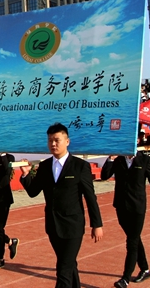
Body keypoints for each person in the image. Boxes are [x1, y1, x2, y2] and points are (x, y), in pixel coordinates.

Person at [19, 123, 103, 288]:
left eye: (57, 140)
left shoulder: (80, 166)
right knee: (69, 264)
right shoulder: (44, 166)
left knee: (63, 269)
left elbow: (90, 197)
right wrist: (26, 174)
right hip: (53, 226)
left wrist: (97, 224)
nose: (53, 144)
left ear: (67, 141)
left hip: (73, 226)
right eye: (50, 140)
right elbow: (33, 191)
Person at [101, 151, 150, 288]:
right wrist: (110, 159)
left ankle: (125, 278)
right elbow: (104, 176)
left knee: (131, 241)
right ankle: (145, 269)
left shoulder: (144, 159)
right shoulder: (118, 159)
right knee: (135, 238)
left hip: (137, 207)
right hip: (121, 206)